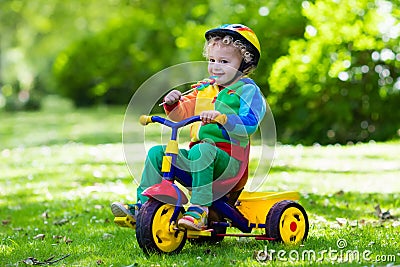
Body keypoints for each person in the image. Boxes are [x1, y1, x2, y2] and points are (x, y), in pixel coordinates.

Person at [111, 24, 266, 231]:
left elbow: (250, 124)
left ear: (244, 62)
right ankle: (143, 207)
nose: (215, 67)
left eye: (224, 61)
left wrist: (223, 118)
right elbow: (180, 115)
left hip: (229, 163)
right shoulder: (204, 88)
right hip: (198, 156)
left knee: (204, 150)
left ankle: (199, 209)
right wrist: (173, 102)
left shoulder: (247, 90)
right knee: (159, 154)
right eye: (212, 60)